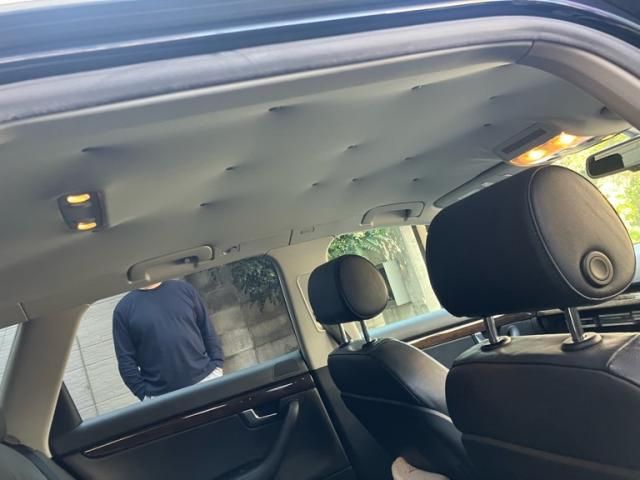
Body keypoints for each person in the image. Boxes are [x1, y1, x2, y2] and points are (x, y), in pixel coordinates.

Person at [113, 280, 224, 400]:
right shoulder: (123, 309)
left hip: (206, 380)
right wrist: (143, 393)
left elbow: (207, 330)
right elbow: (125, 360)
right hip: (161, 396)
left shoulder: (185, 290)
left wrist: (217, 365)